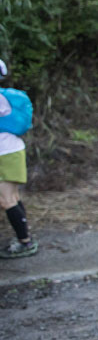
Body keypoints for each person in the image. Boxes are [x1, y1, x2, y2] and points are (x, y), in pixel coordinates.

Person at [0, 59, 36, 259]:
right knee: (12, 197)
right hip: (11, 150)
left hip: (6, 153)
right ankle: (25, 237)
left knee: (6, 200)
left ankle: (25, 242)